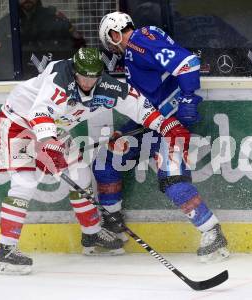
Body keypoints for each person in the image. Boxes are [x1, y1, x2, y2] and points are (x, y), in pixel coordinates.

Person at [0, 47, 188, 275]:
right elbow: (40, 111)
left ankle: (92, 234)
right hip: (20, 123)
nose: (87, 82)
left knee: (80, 174)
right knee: (25, 182)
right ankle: (6, 249)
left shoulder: (107, 86)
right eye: (83, 76)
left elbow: (137, 106)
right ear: (75, 70)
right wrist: (48, 142)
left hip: (53, 130)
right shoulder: (60, 75)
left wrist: (165, 125)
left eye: (93, 77)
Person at [95, 12, 229, 262]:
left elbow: (188, 62)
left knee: (171, 179)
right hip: (152, 122)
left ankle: (212, 231)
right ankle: (113, 226)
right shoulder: (138, 48)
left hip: (173, 124)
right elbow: (147, 99)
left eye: (110, 42)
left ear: (114, 34)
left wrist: (189, 97)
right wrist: (124, 130)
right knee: (106, 160)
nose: (114, 50)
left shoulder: (138, 41)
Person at [0, 0, 86, 80]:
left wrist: (61, 77)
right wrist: (11, 79)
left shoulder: (55, 19)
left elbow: (77, 47)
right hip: (20, 82)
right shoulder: (6, 23)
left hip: (53, 82)